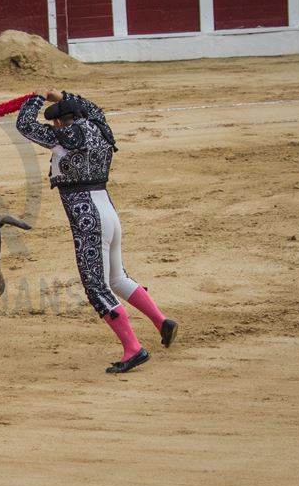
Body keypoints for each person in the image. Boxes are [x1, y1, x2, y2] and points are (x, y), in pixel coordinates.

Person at [15, 88, 178, 374]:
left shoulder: (63, 138)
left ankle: (133, 348)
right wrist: (60, 94)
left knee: (96, 286)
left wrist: (36, 98)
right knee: (118, 277)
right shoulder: (100, 127)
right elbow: (93, 107)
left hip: (88, 217)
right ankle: (162, 321)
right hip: (108, 210)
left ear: (59, 122)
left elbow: (25, 125)